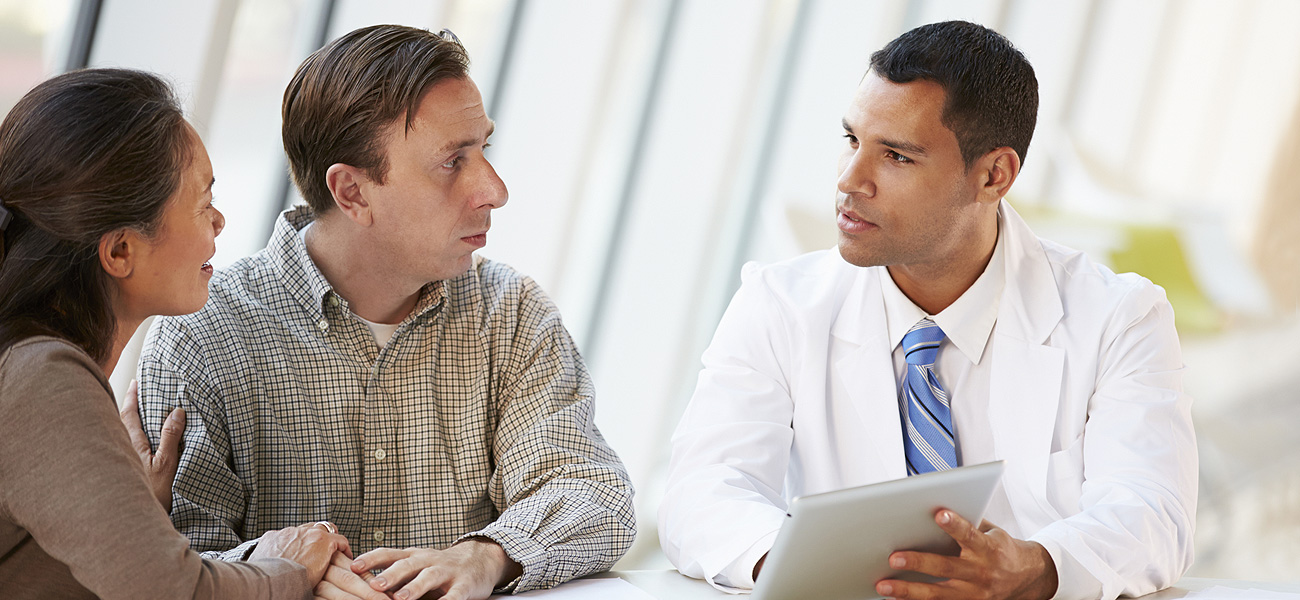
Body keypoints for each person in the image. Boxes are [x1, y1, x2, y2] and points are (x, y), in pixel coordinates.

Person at [658, 20, 1196, 600]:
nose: (849, 180)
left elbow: (1152, 513)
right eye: (851, 140)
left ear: (994, 175)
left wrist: (1037, 567)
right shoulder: (778, 304)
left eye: (895, 156)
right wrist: (802, 563)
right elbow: (701, 490)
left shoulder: (1119, 318)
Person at [132, 24, 636, 600]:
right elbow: (173, 568)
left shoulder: (511, 314)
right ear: (352, 193)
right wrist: (284, 570)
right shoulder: (199, 339)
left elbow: (596, 495)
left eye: (484, 150)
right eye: (453, 162)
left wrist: (489, 555)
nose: (494, 190)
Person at [0, 68, 352, 599]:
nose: (220, 222)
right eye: (202, 202)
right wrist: (290, 567)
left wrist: (127, 512)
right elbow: (174, 592)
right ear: (120, 251)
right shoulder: (42, 378)